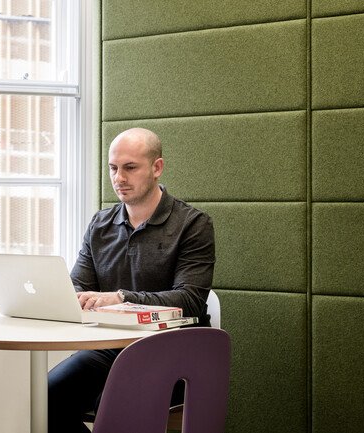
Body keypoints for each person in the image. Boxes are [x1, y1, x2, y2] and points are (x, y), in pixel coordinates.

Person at [48, 127, 215, 433]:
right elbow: (77, 286)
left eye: (130, 168)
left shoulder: (193, 224)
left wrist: (121, 297)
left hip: (170, 353)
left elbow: (190, 300)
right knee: (46, 398)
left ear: (157, 167)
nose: (119, 178)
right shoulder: (100, 224)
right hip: (106, 348)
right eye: (113, 168)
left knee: (110, 407)